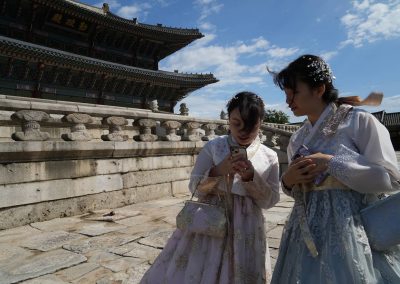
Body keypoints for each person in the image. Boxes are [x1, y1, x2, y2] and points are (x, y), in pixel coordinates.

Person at [269, 54, 400, 283]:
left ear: (319, 89)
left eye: (294, 92)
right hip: (304, 228)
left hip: (350, 226)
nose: (288, 101)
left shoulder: (359, 121)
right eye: (286, 94)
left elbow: (390, 178)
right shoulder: (298, 138)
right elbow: (298, 189)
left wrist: (332, 162)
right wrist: (288, 181)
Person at [140, 91, 280, 283]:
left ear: (261, 122)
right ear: (228, 120)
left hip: (248, 227)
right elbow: (195, 187)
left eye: (251, 124)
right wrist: (218, 170)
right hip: (210, 220)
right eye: (236, 123)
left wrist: (250, 177)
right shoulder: (214, 147)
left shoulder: (269, 156)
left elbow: (270, 201)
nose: (243, 131)